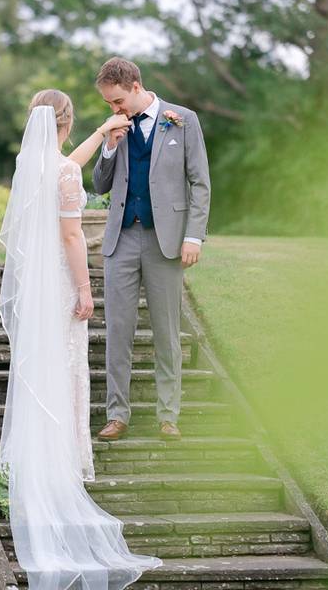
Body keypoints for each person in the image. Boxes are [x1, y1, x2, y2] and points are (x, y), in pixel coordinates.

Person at [0, 89, 161, 590]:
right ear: (65, 121)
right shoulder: (63, 172)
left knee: (41, 366)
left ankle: (33, 458)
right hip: (63, 285)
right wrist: (87, 288)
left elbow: (65, 165)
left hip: (36, 289)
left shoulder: (31, 163)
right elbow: (72, 237)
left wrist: (99, 134)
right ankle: (61, 462)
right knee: (65, 369)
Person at [92, 58, 212, 442]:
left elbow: (200, 183)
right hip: (121, 239)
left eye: (118, 101)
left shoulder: (183, 119)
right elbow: (99, 185)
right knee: (118, 331)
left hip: (167, 241)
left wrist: (194, 237)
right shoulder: (116, 128)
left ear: (136, 86)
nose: (115, 109)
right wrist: (109, 146)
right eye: (109, 104)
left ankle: (168, 416)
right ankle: (117, 415)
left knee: (167, 331)